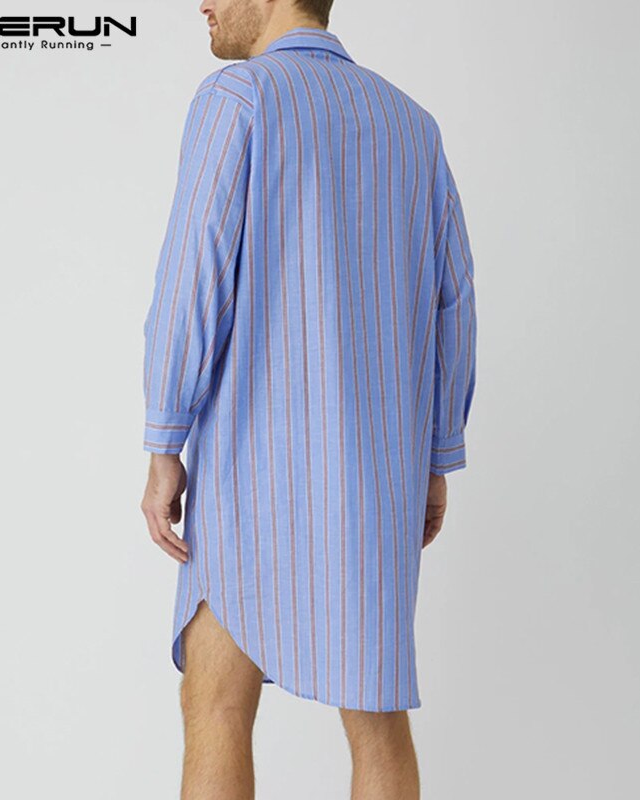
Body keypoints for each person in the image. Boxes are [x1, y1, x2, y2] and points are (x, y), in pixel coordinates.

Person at [140, 0, 477, 797]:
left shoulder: (238, 98)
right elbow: (453, 303)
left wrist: (164, 441)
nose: (202, 3)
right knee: (378, 721)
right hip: (378, 480)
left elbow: (192, 278)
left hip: (252, 475)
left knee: (217, 704)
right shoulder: (412, 126)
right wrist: (437, 456)